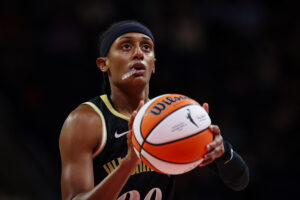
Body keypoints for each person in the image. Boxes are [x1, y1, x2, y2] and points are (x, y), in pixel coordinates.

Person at [59, 20, 249, 200]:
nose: (139, 53)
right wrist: (128, 164)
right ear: (104, 63)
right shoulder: (86, 121)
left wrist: (222, 151)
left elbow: (240, 181)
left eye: (146, 47)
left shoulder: (174, 118)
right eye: (126, 46)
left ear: (153, 64)